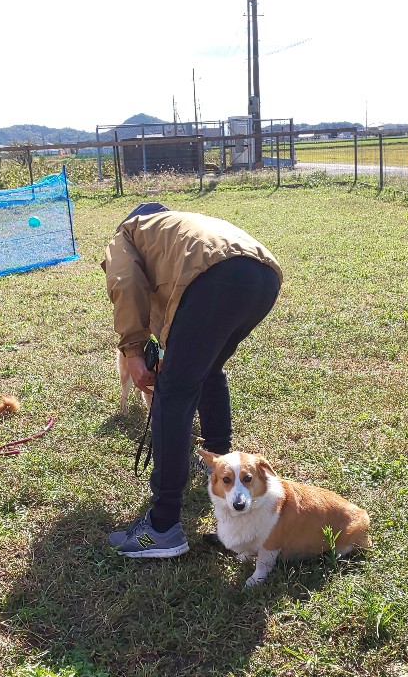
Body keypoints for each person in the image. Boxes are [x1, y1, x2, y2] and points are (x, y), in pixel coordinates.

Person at [102, 204, 282, 558]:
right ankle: (216, 459)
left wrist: (134, 351)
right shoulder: (175, 228)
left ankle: (163, 525)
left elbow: (125, 282)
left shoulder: (126, 234)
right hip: (264, 276)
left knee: (172, 392)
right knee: (208, 370)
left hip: (216, 279)